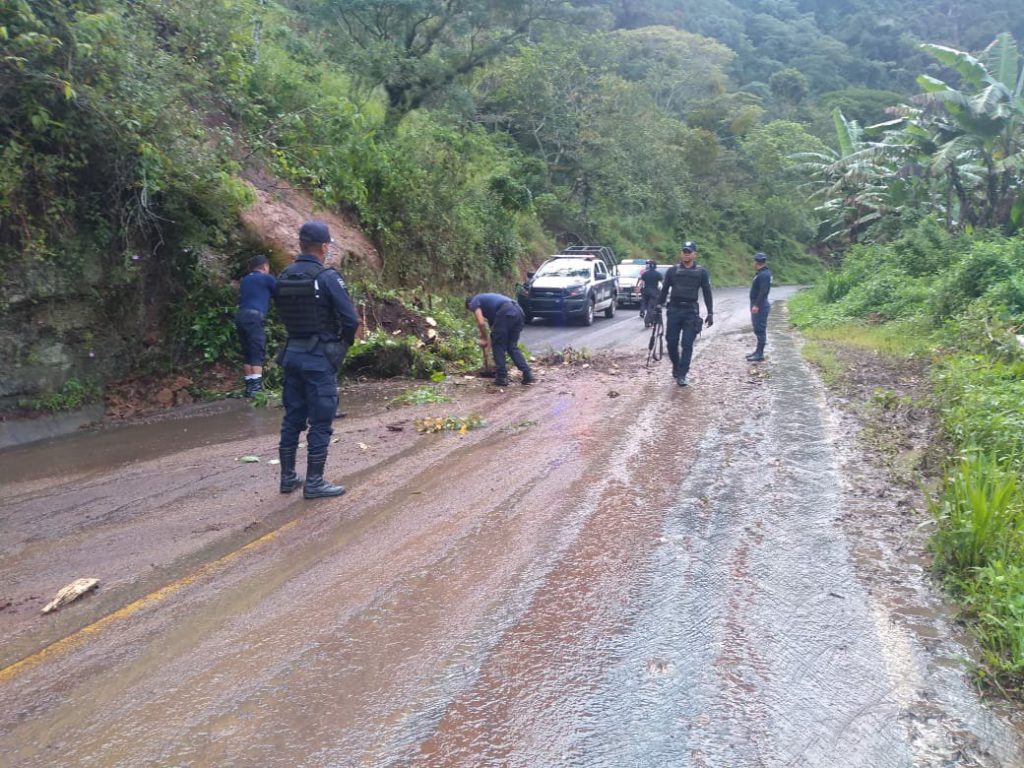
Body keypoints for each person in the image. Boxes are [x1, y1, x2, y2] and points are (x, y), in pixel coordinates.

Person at [274, 220, 360, 499]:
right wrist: (342, 345)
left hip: (291, 354)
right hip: (318, 358)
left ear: (301, 245)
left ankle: (288, 477)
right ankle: (314, 482)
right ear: (324, 247)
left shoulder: (284, 275)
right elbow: (350, 320)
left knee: (292, 418)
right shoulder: (327, 278)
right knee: (321, 420)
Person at [658, 240, 713, 387]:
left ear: (694, 254)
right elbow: (664, 290)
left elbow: (707, 293)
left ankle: (682, 374)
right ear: (681, 253)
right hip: (674, 310)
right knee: (671, 342)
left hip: (691, 311)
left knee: (687, 344)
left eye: (689, 252)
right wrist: (657, 306)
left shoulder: (701, 272)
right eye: (684, 252)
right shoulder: (672, 271)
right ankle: (676, 366)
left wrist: (710, 313)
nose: (686, 254)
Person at [466, 293, 535, 387]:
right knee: (511, 347)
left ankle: (501, 377)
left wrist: (484, 338)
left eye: (472, 310)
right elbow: (493, 334)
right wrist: (487, 349)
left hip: (506, 311)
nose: (473, 311)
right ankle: (528, 374)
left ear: (469, 304)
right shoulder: (491, 308)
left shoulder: (475, 300)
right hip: (519, 312)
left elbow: (481, 323)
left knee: (498, 346)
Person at [235, 254, 277, 398]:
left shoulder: (246, 280)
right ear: (265, 266)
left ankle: (249, 387)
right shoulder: (266, 278)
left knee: (247, 351)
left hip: (241, 316)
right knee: (257, 350)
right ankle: (257, 389)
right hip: (254, 317)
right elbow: (279, 292)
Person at [747, 252, 772, 362]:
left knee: (760, 329)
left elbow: (764, 291)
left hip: (760, 305)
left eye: (754, 261)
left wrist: (756, 305)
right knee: (757, 328)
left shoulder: (764, 275)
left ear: (756, 262)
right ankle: (757, 351)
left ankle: (760, 354)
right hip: (758, 303)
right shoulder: (761, 273)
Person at [636, 259, 663, 328]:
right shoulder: (658, 274)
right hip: (654, 292)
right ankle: (647, 321)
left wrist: (638, 289)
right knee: (651, 307)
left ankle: (642, 311)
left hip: (646, 291)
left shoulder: (645, 273)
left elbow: (641, 282)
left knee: (644, 303)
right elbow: (661, 282)